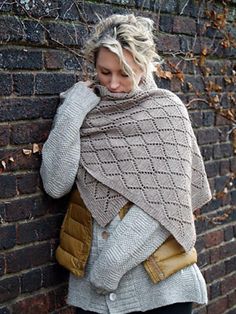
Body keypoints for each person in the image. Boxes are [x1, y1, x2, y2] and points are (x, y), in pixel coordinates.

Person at [40, 14, 212, 314]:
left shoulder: (165, 111)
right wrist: (72, 111)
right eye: (105, 72)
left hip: (161, 287)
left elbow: (166, 202)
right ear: (93, 62)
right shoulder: (81, 109)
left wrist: (111, 265)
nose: (114, 84)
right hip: (93, 294)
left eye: (126, 73)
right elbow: (56, 184)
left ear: (144, 67)